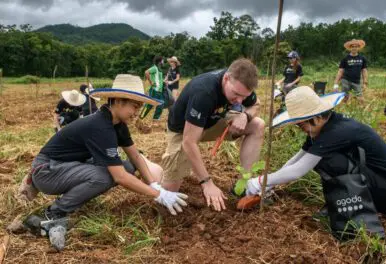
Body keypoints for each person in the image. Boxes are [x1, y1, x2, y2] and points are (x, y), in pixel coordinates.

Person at [17, 74, 188, 251]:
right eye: (135, 106)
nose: (137, 113)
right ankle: (54, 212)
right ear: (120, 101)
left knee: (128, 166)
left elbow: (135, 157)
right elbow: (119, 177)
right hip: (46, 171)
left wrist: (154, 183)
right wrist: (157, 194)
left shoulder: (117, 124)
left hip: (64, 166)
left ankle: (70, 200)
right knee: (106, 176)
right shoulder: (100, 126)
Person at [244, 86, 386, 234]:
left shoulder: (337, 131)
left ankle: (353, 213)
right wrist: (270, 182)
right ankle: (341, 204)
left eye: (300, 125)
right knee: (319, 158)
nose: (301, 130)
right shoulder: (322, 128)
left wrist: (259, 181)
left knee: (325, 160)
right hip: (377, 184)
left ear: (315, 117)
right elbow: (297, 159)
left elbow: (300, 169)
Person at [162, 58, 265, 212]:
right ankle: (150, 171)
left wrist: (245, 116)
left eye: (244, 97)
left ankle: (245, 183)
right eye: (236, 95)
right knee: (168, 194)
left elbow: (255, 104)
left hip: (212, 121)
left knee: (258, 125)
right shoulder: (204, 92)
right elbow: (189, 142)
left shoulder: (241, 85)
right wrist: (207, 183)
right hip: (183, 130)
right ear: (226, 78)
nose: (239, 101)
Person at [139, 55, 165, 124]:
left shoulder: (159, 69)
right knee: (149, 105)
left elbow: (159, 79)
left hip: (159, 91)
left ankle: (155, 121)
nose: (163, 61)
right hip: (154, 90)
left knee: (161, 104)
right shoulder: (155, 68)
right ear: (160, 61)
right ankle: (140, 118)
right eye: (162, 60)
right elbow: (146, 72)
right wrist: (151, 82)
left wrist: (164, 82)